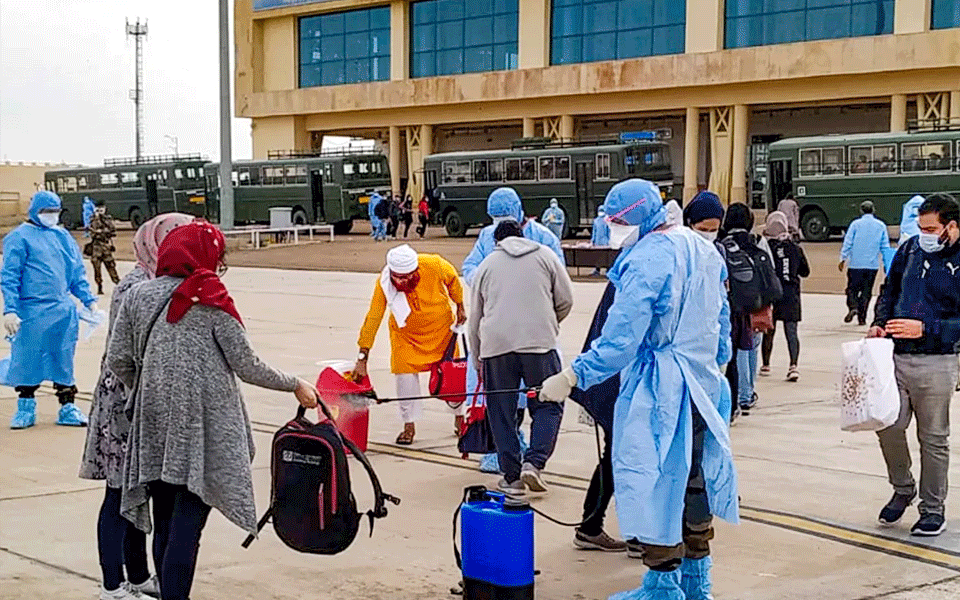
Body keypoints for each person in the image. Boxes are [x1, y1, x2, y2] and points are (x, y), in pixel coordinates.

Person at [539, 178, 738, 600]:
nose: (613, 229)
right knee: (694, 480)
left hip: (660, 389)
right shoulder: (705, 250)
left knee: (653, 483)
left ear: (634, 218)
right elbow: (722, 320)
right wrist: (716, 362)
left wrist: (573, 376)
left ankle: (663, 584)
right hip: (703, 384)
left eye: (616, 221)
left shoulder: (647, 259)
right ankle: (696, 581)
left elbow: (620, 339)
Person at [107, 221, 320, 600]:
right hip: (201, 426)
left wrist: (151, 385)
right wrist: (295, 383)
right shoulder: (209, 296)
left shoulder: (138, 296)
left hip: (153, 422)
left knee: (165, 518)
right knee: (188, 523)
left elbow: (118, 359)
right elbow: (247, 365)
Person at [79, 213, 195, 600]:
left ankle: (139, 575)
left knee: (139, 492)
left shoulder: (156, 280)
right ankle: (112, 585)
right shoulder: (137, 287)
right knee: (118, 493)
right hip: (124, 402)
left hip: (144, 399)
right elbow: (125, 356)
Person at [869, 193, 960, 538]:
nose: (924, 235)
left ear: (952, 226)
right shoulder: (909, 250)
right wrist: (880, 322)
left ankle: (932, 508)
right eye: (921, 228)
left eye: (931, 229)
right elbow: (889, 291)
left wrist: (928, 328)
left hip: (938, 361)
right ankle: (903, 486)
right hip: (896, 356)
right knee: (887, 425)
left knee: (933, 437)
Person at [461, 188, 564, 471]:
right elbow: (470, 267)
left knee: (514, 400)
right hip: (532, 337)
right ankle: (525, 459)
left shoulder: (544, 238)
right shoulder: (487, 237)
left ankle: (514, 469)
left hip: (502, 338)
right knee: (513, 403)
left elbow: (558, 283)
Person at [3, 191, 98, 429]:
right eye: (47, 212)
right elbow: (10, 276)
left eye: (55, 211)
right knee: (28, 358)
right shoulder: (19, 238)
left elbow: (76, 271)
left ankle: (68, 407)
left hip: (62, 311)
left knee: (63, 358)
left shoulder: (62, 236)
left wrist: (88, 300)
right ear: (35, 211)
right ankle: (25, 407)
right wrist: (10, 310)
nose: (52, 216)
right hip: (31, 311)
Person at [354, 244, 466, 445]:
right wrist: (362, 357)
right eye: (398, 277)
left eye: (407, 277)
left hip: (441, 332)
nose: (402, 282)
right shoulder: (384, 282)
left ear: (416, 270)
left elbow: (453, 281)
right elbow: (373, 317)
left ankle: (460, 418)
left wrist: (460, 306)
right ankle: (409, 425)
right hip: (405, 337)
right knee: (404, 378)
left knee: (453, 377)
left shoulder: (434, 264)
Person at [720, 203, 770, 417]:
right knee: (751, 347)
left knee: (736, 349)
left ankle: (740, 396)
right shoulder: (758, 241)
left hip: (732, 303)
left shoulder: (722, 243)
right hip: (755, 302)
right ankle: (748, 393)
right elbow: (769, 271)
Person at [759, 211, 810, 382]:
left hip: (772, 294)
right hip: (791, 294)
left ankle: (766, 364)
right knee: (791, 332)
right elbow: (805, 271)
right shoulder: (795, 248)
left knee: (769, 331)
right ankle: (793, 365)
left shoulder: (767, 248)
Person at [840, 200, 891, 326]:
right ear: (873, 210)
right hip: (872, 265)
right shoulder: (881, 225)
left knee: (852, 289)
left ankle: (853, 307)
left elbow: (848, 242)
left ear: (861, 211)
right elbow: (885, 246)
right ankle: (862, 318)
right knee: (866, 292)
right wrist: (887, 263)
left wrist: (843, 258)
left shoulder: (855, 224)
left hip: (855, 264)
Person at [89, 201, 121, 296]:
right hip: (96, 247)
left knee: (111, 267)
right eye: (98, 210)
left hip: (105, 247)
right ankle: (99, 286)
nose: (100, 212)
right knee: (97, 269)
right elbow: (92, 233)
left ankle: (119, 284)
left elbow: (112, 231)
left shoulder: (108, 219)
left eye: (101, 209)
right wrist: (97, 220)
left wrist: (102, 231)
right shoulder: (92, 219)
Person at [590, 207, 610, 277]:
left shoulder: (599, 220)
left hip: (601, 242)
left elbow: (595, 232)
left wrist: (593, 241)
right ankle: (600, 270)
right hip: (602, 242)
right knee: (602, 256)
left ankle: (602, 270)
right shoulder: (602, 220)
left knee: (601, 256)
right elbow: (594, 232)